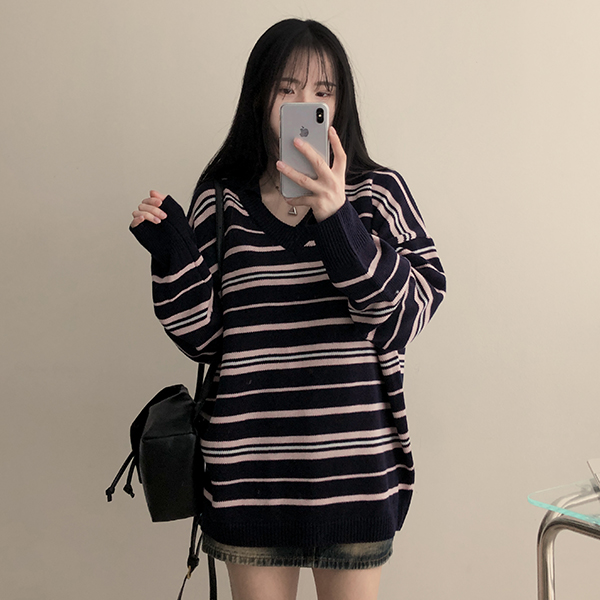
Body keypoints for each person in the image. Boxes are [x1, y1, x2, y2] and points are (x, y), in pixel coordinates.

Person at [130, 18, 445, 600]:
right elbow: (205, 340)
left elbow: (405, 316)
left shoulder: (379, 193)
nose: (306, 104)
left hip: (354, 475)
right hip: (249, 477)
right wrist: (173, 253)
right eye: (287, 89)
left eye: (322, 92)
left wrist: (337, 216)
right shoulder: (222, 198)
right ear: (260, 97)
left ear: (340, 104)